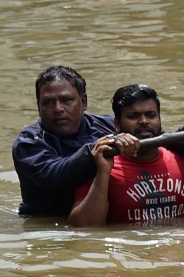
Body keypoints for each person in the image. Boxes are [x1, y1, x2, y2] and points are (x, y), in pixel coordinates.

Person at [68, 84, 184, 226]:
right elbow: (86, 229)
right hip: (129, 257)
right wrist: (103, 174)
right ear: (117, 125)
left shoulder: (183, 161)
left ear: (159, 119)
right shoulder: (102, 163)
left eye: (151, 115)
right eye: (133, 116)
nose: (144, 121)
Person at [13, 66, 116, 216]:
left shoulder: (110, 126)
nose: (58, 109)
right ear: (38, 107)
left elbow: (156, 139)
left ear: (84, 101)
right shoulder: (28, 143)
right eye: (48, 102)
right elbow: (56, 177)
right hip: (49, 228)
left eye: (67, 100)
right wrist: (94, 150)